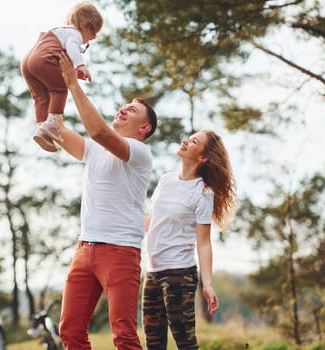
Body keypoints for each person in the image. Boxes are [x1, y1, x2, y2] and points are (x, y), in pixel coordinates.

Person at [55, 51, 158, 349]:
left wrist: (74, 85)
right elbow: (56, 129)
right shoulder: (93, 149)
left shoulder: (139, 153)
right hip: (84, 248)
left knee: (124, 337)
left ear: (144, 128)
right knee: (70, 332)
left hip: (120, 251)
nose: (125, 108)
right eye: (126, 105)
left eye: (134, 110)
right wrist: (50, 86)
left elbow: (98, 130)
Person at [142, 130, 236, 349]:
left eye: (194, 141)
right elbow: (153, 223)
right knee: (153, 343)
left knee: (185, 342)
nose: (185, 141)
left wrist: (208, 284)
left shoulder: (203, 192)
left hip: (179, 274)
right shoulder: (166, 181)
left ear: (203, 157)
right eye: (188, 137)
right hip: (153, 272)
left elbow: (203, 242)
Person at [20, 2, 103, 153]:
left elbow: (53, 55)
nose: (93, 37)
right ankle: (52, 124)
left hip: (28, 62)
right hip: (42, 60)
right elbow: (72, 47)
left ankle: (42, 128)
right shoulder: (74, 33)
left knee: (40, 97)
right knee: (60, 89)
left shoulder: (58, 31)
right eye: (93, 32)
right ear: (85, 25)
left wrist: (74, 72)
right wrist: (80, 65)